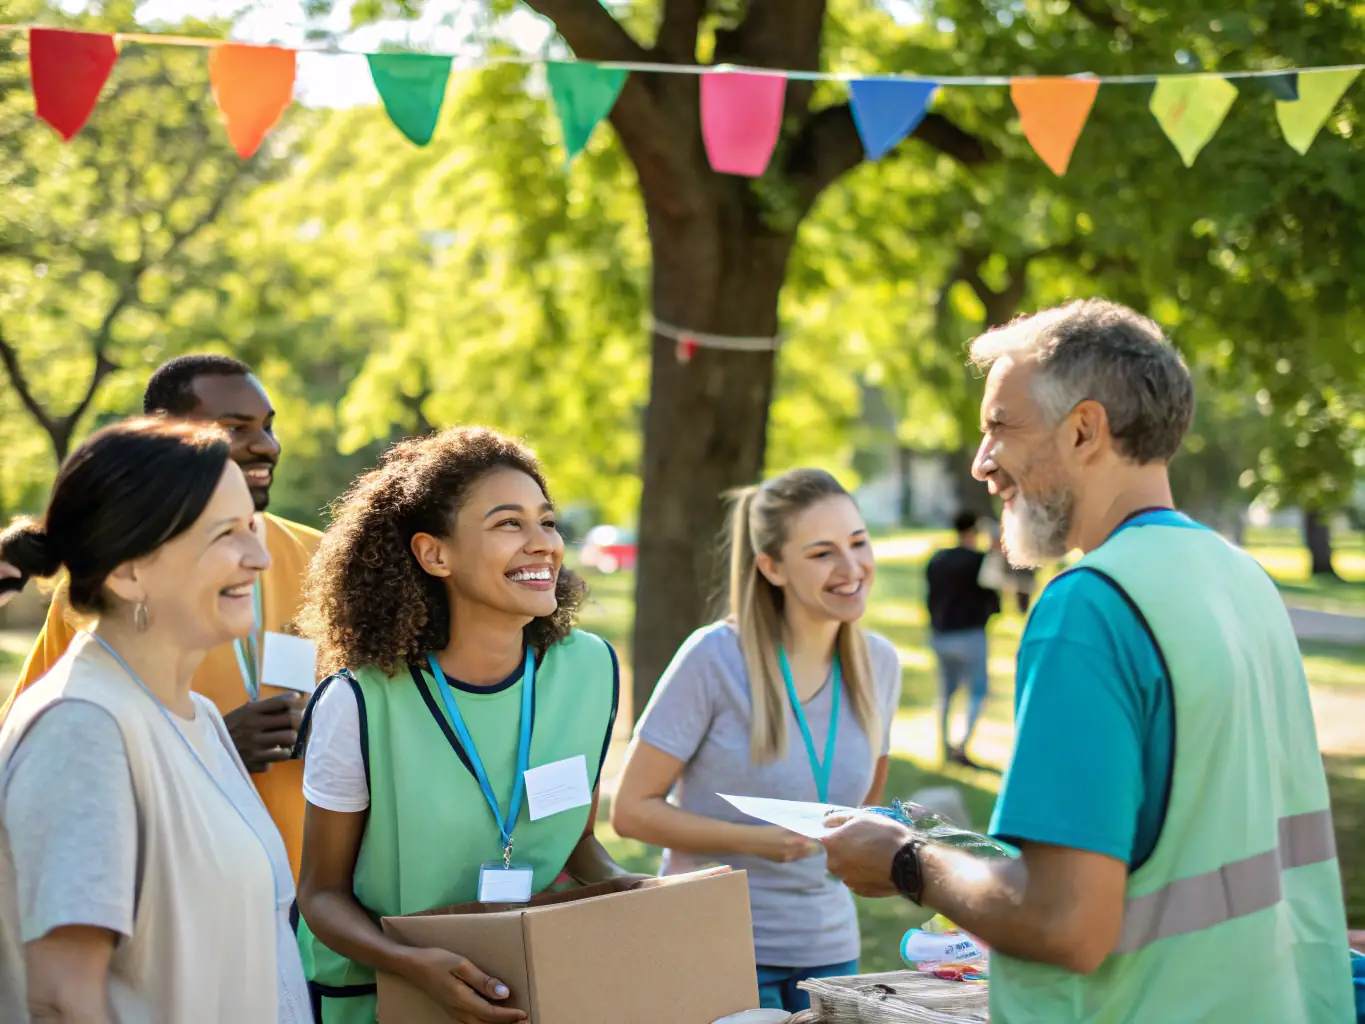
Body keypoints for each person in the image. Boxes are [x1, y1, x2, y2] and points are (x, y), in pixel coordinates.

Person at [821, 299, 1353, 1022]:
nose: (982, 462)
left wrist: (905, 861)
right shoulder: (1238, 579)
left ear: (1082, 430)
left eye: (999, 427)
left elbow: (1064, 923)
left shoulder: (1091, 604)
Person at [293, 426, 638, 1024]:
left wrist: (625, 890)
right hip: (383, 998)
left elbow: (575, 843)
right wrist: (409, 961)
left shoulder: (591, 670)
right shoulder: (360, 702)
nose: (543, 544)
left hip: (534, 989)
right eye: (510, 524)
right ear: (435, 554)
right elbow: (322, 896)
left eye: (547, 521)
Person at [0, 418, 309, 1023]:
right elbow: (62, 1000)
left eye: (252, 525)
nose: (259, 555)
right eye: (225, 534)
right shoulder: (83, 728)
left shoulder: (193, 717)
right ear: (129, 573)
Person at [2, 354, 322, 877]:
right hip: (167, 877)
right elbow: (33, 761)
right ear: (166, 437)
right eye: (234, 428)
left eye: (267, 426)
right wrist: (215, 744)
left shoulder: (324, 561)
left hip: (305, 895)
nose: (265, 444)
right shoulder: (110, 583)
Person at [611, 468, 903, 1014]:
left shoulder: (881, 664)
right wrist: (755, 840)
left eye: (858, 543)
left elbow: (863, 811)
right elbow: (630, 812)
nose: (852, 568)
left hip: (830, 950)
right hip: (715, 943)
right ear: (771, 567)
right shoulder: (714, 658)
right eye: (822, 554)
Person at [925, 510, 1000, 767]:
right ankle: (962, 746)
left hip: (941, 634)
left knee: (946, 693)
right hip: (970, 634)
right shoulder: (980, 561)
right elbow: (996, 591)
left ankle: (944, 745)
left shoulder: (937, 559)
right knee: (977, 691)